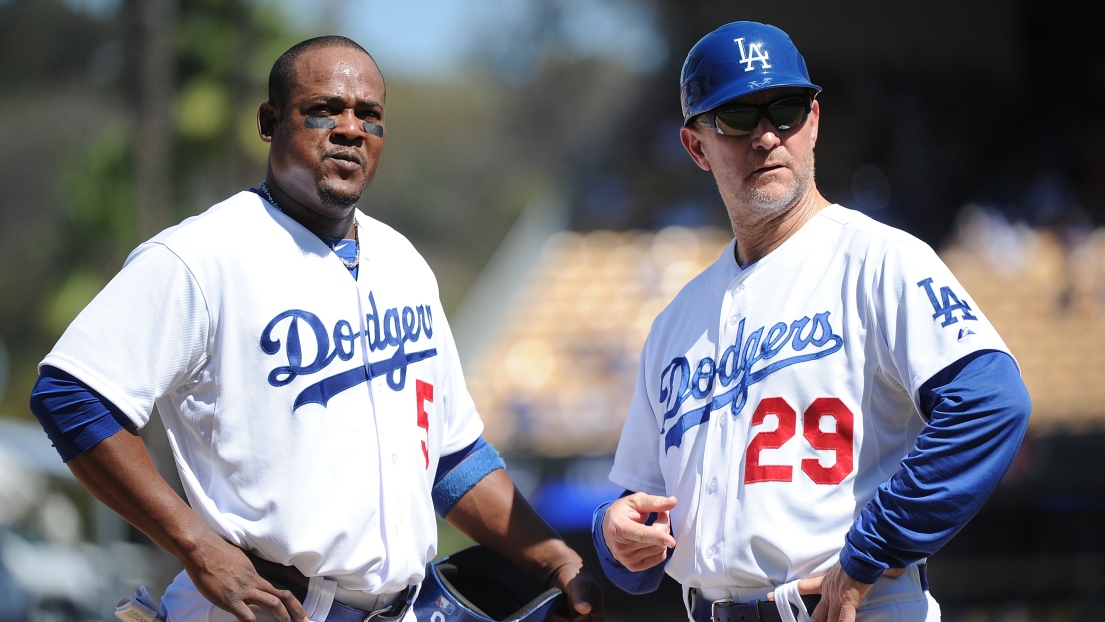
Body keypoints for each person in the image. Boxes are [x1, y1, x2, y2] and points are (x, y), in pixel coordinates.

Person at [30, 36, 602, 622]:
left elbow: (452, 457)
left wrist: (551, 556)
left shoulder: (403, 262)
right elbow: (72, 393)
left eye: (370, 116)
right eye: (325, 109)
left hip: (403, 608)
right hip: (265, 606)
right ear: (269, 122)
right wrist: (194, 544)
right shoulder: (201, 255)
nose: (351, 129)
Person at [591, 21, 1031, 622]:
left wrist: (869, 553)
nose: (768, 136)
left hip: (852, 608)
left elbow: (991, 403)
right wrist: (613, 533)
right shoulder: (675, 322)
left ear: (814, 121)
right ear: (696, 147)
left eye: (787, 110)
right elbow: (640, 512)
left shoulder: (878, 259)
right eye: (738, 118)